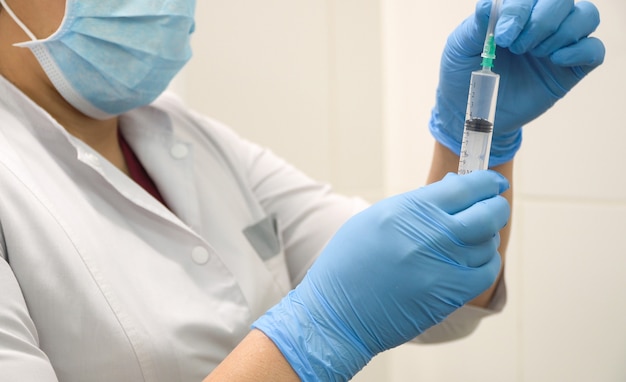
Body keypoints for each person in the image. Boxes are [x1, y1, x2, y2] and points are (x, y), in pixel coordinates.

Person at [0, 0, 604, 381]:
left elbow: (443, 304)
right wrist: (319, 333)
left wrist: (477, 141)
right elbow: (353, 307)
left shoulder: (182, 135)